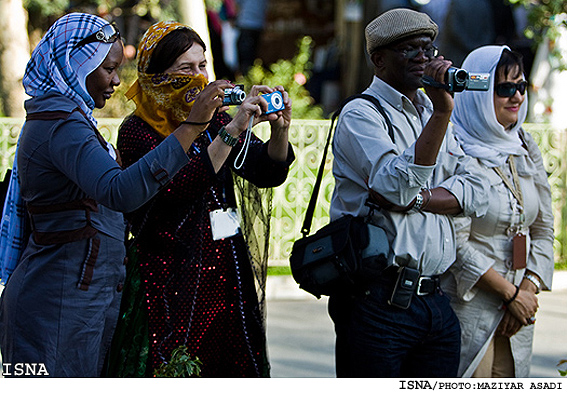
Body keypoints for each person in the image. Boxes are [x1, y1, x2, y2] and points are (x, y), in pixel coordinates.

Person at [0, 13, 261, 378]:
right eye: (107, 69)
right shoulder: (62, 126)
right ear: (77, 66)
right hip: (57, 303)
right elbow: (119, 191)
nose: (116, 81)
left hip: (78, 297)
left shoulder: (71, 119)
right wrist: (193, 126)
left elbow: (267, 170)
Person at [106, 21, 294, 378]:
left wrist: (279, 129)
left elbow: (268, 172)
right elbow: (178, 190)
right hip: (167, 276)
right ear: (158, 75)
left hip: (225, 269)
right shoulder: (137, 131)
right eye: (185, 68)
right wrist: (230, 129)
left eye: (202, 65)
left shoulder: (214, 123)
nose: (198, 77)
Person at [328, 8, 490, 377]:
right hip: (378, 302)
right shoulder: (362, 115)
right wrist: (441, 115)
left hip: (436, 302)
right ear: (379, 60)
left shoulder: (428, 111)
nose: (424, 58)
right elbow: (394, 184)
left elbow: (479, 190)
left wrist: (419, 200)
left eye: (429, 48)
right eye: (410, 49)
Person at [442, 45, 555, 377]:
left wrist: (528, 291)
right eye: (504, 88)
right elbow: (454, 241)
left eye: (520, 86)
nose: (516, 97)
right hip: (470, 306)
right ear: (476, 93)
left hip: (519, 314)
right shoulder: (455, 149)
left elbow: (544, 228)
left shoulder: (524, 146)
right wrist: (509, 294)